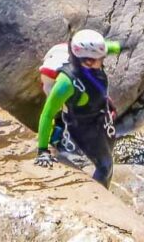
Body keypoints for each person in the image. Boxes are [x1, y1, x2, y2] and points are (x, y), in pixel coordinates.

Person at [34, 29, 121, 187]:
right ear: (87, 61)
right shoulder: (66, 83)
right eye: (99, 59)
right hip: (84, 128)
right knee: (105, 166)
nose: (102, 61)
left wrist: (120, 46)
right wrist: (42, 150)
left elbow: (111, 47)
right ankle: (98, 202)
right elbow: (47, 114)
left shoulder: (89, 61)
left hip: (99, 114)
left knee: (109, 149)